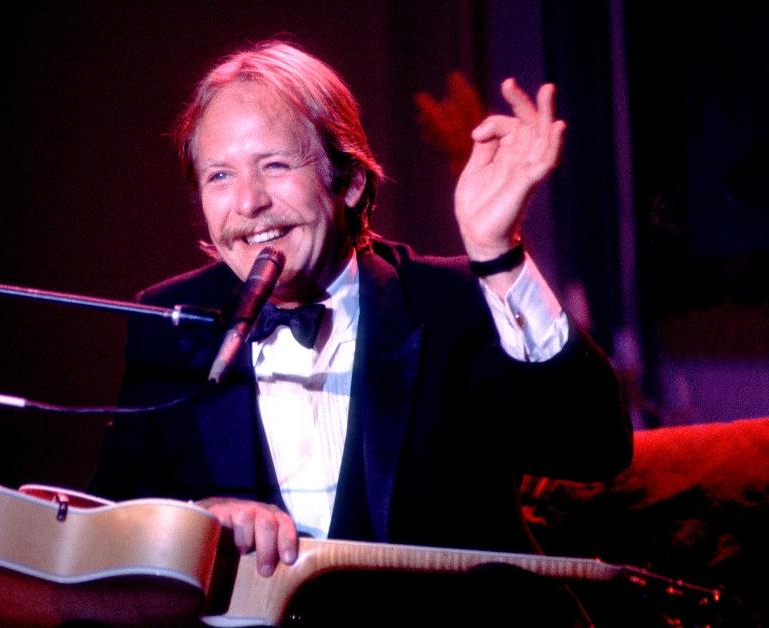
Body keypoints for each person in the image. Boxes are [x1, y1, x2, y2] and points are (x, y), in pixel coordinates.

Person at [90, 40, 631, 623]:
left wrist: (497, 256)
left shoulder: (450, 303)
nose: (247, 203)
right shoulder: (169, 323)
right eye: (219, 175)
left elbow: (594, 447)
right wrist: (197, 520)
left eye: (275, 165)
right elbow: (111, 534)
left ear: (347, 180)